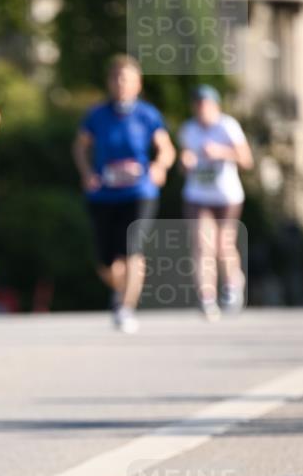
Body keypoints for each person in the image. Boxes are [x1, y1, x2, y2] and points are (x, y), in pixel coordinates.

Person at [72, 55, 176, 333]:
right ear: (109, 82)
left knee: (133, 250)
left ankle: (125, 307)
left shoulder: (147, 114)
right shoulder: (97, 115)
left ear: (137, 84)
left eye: (126, 79)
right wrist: (86, 173)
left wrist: (159, 166)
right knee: (106, 261)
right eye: (116, 78)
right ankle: (122, 290)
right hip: (104, 194)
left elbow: (166, 149)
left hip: (139, 191)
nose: (121, 84)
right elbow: (80, 147)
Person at [178, 85, 253, 319]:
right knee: (202, 244)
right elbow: (182, 164)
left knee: (223, 244)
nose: (202, 109)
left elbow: (246, 160)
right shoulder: (188, 129)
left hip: (226, 195)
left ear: (215, 105)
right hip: (197, 195)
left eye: (206, 104)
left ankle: (233, 283)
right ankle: (206, 297)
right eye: (198, 104)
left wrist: (221, 152)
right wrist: (186, 161)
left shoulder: (227, 126)